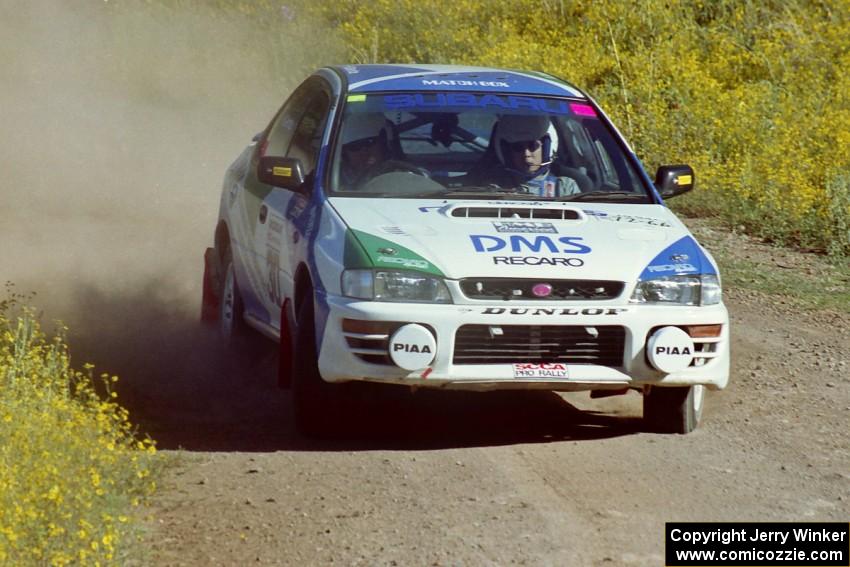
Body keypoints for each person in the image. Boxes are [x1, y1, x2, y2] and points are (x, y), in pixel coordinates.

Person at [468, 114, 581, 197]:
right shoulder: (491, 186)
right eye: (517, 148)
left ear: (547, 148)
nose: (526, 154)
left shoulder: (564, 188)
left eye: (532, 146)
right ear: (507, 153)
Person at [338, 112, 392, 188]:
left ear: (383, 145)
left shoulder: (398, 174)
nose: (364, 151)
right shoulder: (332, 180)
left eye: (369, 143)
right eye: (355, 146)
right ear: (344, 152)